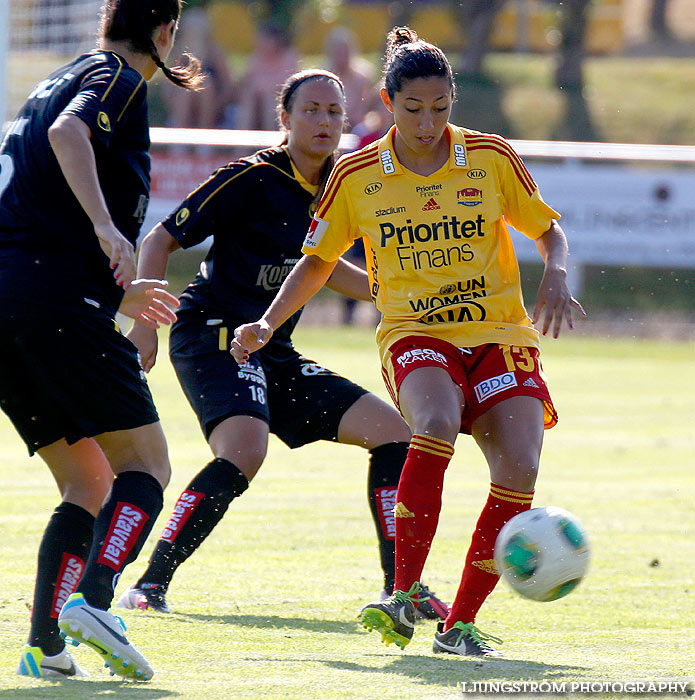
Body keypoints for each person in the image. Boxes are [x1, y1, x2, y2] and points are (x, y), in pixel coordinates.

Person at [231, 26, 586, 658]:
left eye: (441, 109)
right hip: (415, 331)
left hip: (500, 334)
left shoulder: (491, 157)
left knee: (521, 467)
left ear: (454, 101)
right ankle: (402, 593)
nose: (429, 124)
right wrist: (267, 320)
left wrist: (555, 269)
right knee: (435, 422)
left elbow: (548, 230)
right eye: (414, 110)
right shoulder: (356, 174)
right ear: (389, 103)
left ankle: (461, 627)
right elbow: (316, 262)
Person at [116, 69, 449, 621]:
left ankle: (401, 591)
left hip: (273, 351)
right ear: (285, 119)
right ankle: (149, 585)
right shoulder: (249, 177)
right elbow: (159, 239)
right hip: (214, 336)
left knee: (394, 433)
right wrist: (146, 323)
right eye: (311, 110)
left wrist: (406, 298)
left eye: (334, 112)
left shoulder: (340, 186)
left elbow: (323, 269)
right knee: (245, 451)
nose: (324, 121)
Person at [0, 0, 201, 681]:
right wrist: (105, 232)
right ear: (165, 32)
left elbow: (29, 210)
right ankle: (93, 599)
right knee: (147, 465)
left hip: (15, 303)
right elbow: (68, 136)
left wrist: (116, 293)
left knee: (87, 481)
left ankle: (45, 649)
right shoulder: (117, 77)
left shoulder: (57, 75)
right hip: (55, 300)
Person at [235, 20, 299, 131]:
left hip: (279, 100)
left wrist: (261, 87)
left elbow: (286, 84)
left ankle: (268, 139)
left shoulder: (289, 57)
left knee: (269, 99)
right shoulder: (256, 57)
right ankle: (241, 143)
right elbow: (249, 79)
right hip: (256, 101)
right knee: (248, 98)